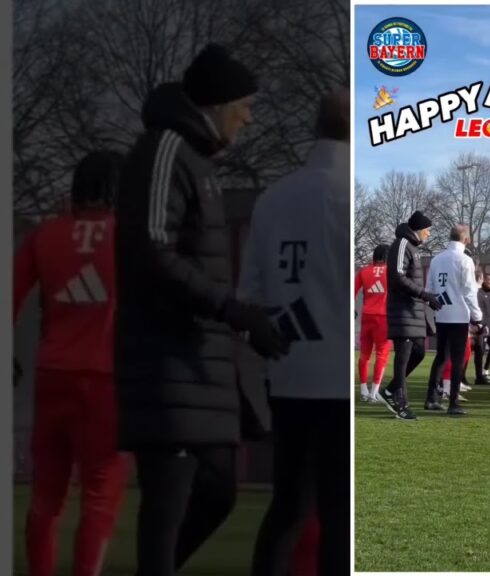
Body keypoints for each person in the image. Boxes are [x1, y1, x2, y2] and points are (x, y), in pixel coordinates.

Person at [115, 44, 290, 575]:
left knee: (219, 492)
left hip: (199, 362)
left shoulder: (197, 163)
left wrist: (238, 316)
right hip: (165, 362)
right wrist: (233, 308)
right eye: (244, 104)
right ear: (216, 105)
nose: (249, 116)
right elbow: (150, 250)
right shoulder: (162, 150)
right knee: (166, 510)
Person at [240, 90, 350, 576]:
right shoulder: (351, 191)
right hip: (336, 378)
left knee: (287, 507)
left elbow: (251, 294)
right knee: (337, 516)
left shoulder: (273, 197)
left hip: (288, 371)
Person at [14, 151, 129, 576]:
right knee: (100, 495)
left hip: (52, 375)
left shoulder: (46, 235)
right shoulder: (127, 237)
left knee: (46, 497)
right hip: (106, 379)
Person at [379, 211, 442, 421]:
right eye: (428, 231)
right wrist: (424, 294)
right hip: (402, 311)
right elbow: (396, 277)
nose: (429, 235)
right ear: (419, 229)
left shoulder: (412, 248)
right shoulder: (402, 244)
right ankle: (401, 404)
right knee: (403, 357)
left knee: (419, 353)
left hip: (413, 311)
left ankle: (389, 392)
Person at [423, 225, 483, 416]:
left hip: (441, 313)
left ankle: (432, 398)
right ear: (465, 239)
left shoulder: (436, 259)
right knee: (457, 359)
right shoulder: (464, 260)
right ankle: (454, 402)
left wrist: (436, 306)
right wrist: (478, 316)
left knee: (441, 356)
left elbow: (429, 287)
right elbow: (469, 290)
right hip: (459, 315)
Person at [355, 244, 392, 402]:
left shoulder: (364, 271)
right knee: (382, 355)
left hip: (366, 316)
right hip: (384, 317)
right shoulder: (392, 272)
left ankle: (363, 389)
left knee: (364, 354)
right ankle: (374, 392)